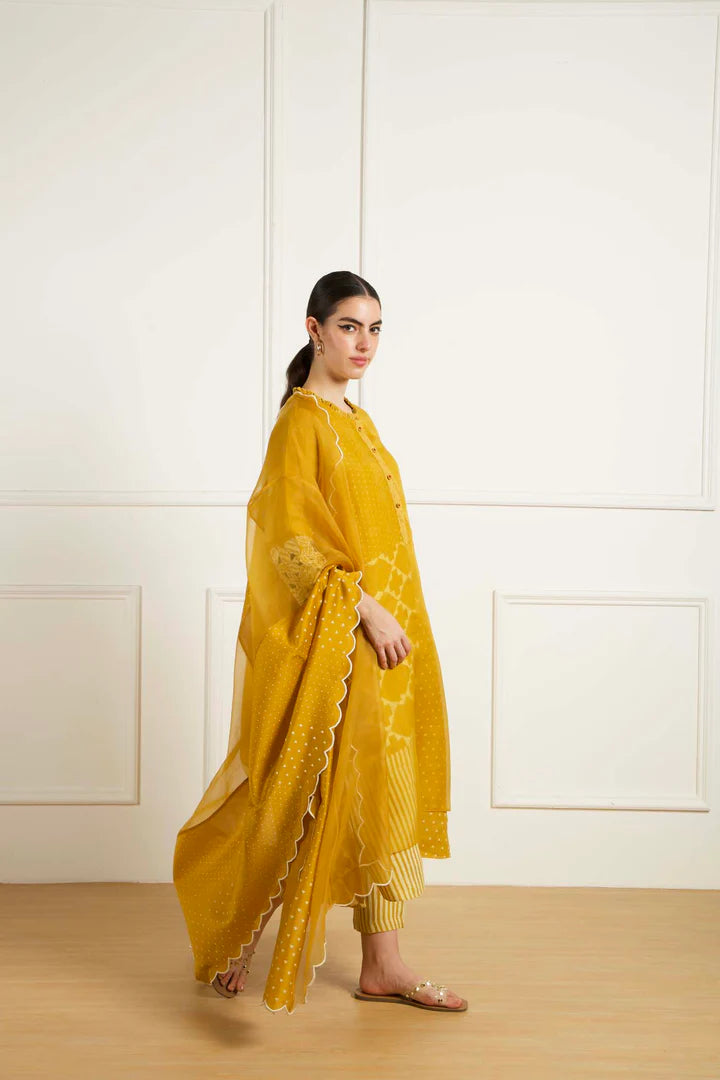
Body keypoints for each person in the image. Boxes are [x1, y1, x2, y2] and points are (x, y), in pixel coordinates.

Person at [173, 270, 466, 1014]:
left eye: (375, 329)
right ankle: (238, 935)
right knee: (308, 793)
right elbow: (293, 547)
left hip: (390, 640)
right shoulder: (300, 424)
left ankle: (383, 965)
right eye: (348, 327)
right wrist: (366, 612)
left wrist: (394, 620)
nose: (364, 343)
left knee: (381, 792)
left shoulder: (359, 423)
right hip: (345, 637)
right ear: (315, 330)